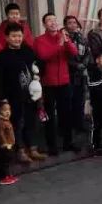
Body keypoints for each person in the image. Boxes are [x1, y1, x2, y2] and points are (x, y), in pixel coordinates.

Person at [0, 23, 45, 163]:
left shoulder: (28, 51)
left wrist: (38, 77)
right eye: (14, 36)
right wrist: (2, 99)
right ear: (7, 37)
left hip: (31, 94)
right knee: (17, 123)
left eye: (19, 36)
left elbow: (38, 67)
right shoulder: (1, 56)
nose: (17, 39)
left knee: (31, 122)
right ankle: (20, 150)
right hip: (13, 96)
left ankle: (33, 148)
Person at [35, 13, 79, 155]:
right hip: (48, 82)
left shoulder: (63, 37)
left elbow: (74, 52)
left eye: (54, 20)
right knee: (50, 116)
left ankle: (68, 142)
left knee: (66, 113)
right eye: (49, 21)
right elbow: (44, 55)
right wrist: (59, 45)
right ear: (44, 24)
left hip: (64, 81)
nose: (53, 23)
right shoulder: (40, 40)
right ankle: (51, 146)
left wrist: (66, 41)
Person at [64, 15, 91, 138]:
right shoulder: (64, 38)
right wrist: (76, 65)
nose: (72, 25)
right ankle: (70, 126)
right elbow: (65, 57)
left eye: (74, 22)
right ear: (65, 25)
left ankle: (80, 125)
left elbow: (87, 52)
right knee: (70, 101)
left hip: (81, 74)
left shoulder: (82, 38)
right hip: (69, 74)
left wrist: (83, 64)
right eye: (69, 23)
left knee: (80, 100)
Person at [0, 100, 18, 186]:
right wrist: (4, 143)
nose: (7, 112)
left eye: (9, 110)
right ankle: (4, 177)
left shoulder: (6, 120)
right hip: (4, 145)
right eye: (4, 110)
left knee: (8, 160)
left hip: (9, 143)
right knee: (3, 162)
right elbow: (0, 134)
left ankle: (8, 175)